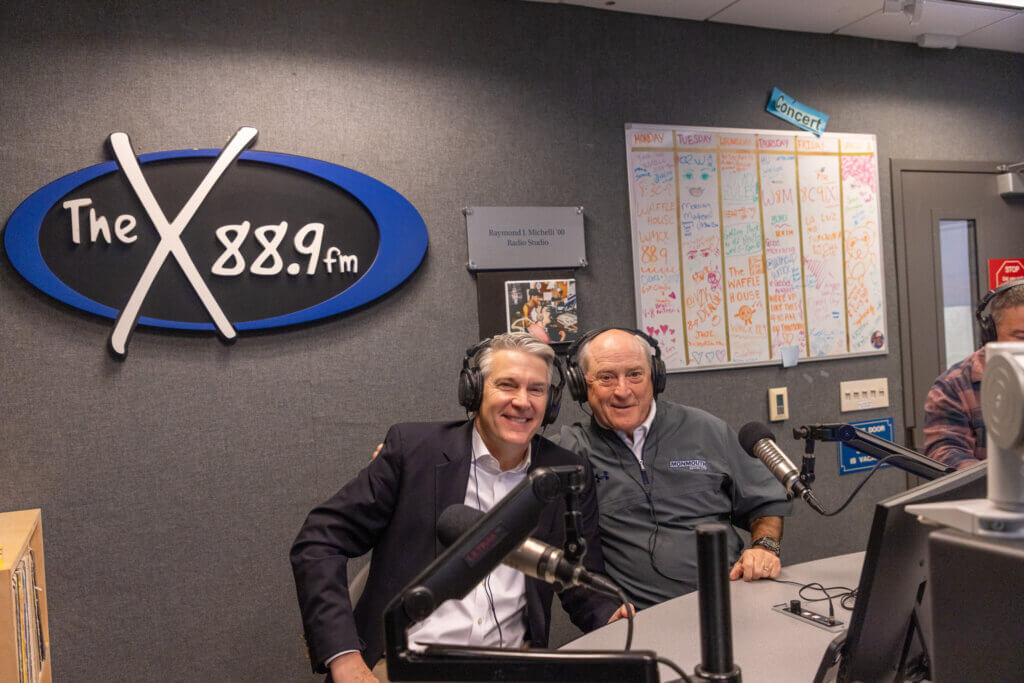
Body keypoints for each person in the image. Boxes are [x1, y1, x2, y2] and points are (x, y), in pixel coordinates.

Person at [291, 333, 629, 682]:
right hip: (404, 667)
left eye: (536, 390)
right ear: (474, 390)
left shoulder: (564, 471)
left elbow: (580, 576)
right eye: (507, 385)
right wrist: (344, 658)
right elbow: (319, 541)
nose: (522, 401)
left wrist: (609, 614)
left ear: (551, 402)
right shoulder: (414, 452)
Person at [553, 328, 793, 610]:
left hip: (736, 600)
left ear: (655, 377)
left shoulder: (706, 430)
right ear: (581, 385)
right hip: (648, 619)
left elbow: (765, 502)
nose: (623, 391)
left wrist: (764, 547)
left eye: (635, 374)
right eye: (606, 377)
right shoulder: (571, 452)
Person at [923, 280, 1024, 470]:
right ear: (991, 335)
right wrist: (1000, 480)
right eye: (1021, 337)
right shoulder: (952, 387)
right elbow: (946, 454)